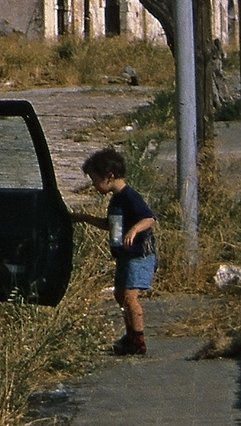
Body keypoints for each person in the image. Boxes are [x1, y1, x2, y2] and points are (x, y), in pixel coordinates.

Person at [70, 147, 155, 355]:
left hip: (138, 255)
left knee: (129, 296)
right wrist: (85, 218)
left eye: (95, 179)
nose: (93, 184)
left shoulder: (129, 196)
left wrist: (134, 229)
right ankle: (131, 334)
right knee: (120, 294)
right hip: (125, 255)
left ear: (109, 176)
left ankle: (138, 340)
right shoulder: (116, 199)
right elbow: (112, 224)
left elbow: (148, 218)